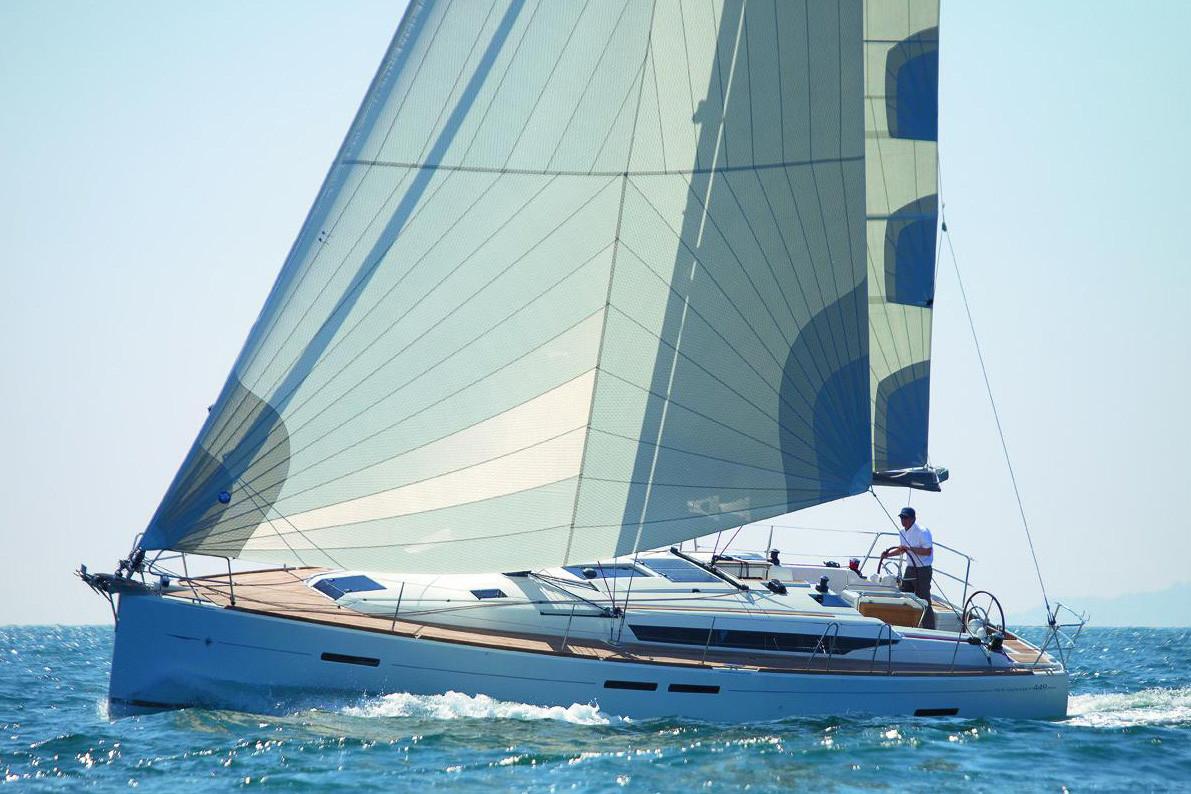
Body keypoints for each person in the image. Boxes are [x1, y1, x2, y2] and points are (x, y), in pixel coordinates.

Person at [890, 506, 936, 629]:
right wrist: (887, 555)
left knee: (923, 599)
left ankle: (929, 628)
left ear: (913, 519)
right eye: (901, 517)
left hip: (923, 570)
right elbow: (902, 549)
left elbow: (927, 551)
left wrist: (910, 549)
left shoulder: (922, 531)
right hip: (910, 569)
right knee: (904, 596)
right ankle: (904, 625)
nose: (903, 520)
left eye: (906, 518)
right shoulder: (902, 532)